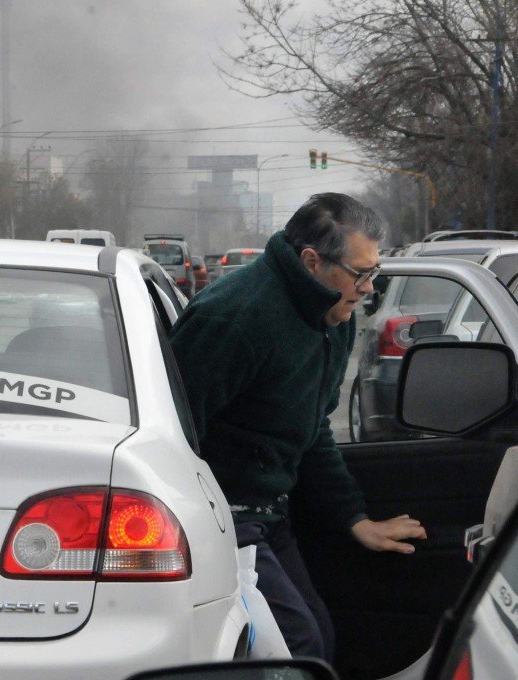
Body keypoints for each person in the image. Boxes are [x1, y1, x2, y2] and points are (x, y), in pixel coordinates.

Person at [169, 193, 427, 661]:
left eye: (375, 271)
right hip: (221, 522)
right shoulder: (233, 318)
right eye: (360, 273)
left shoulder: (332, 316)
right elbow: (173, 437)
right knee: (298, 648)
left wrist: (354, 518)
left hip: (271, 514)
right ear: (311, 261)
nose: (369, 287)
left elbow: (312, 429)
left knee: (318, 638)